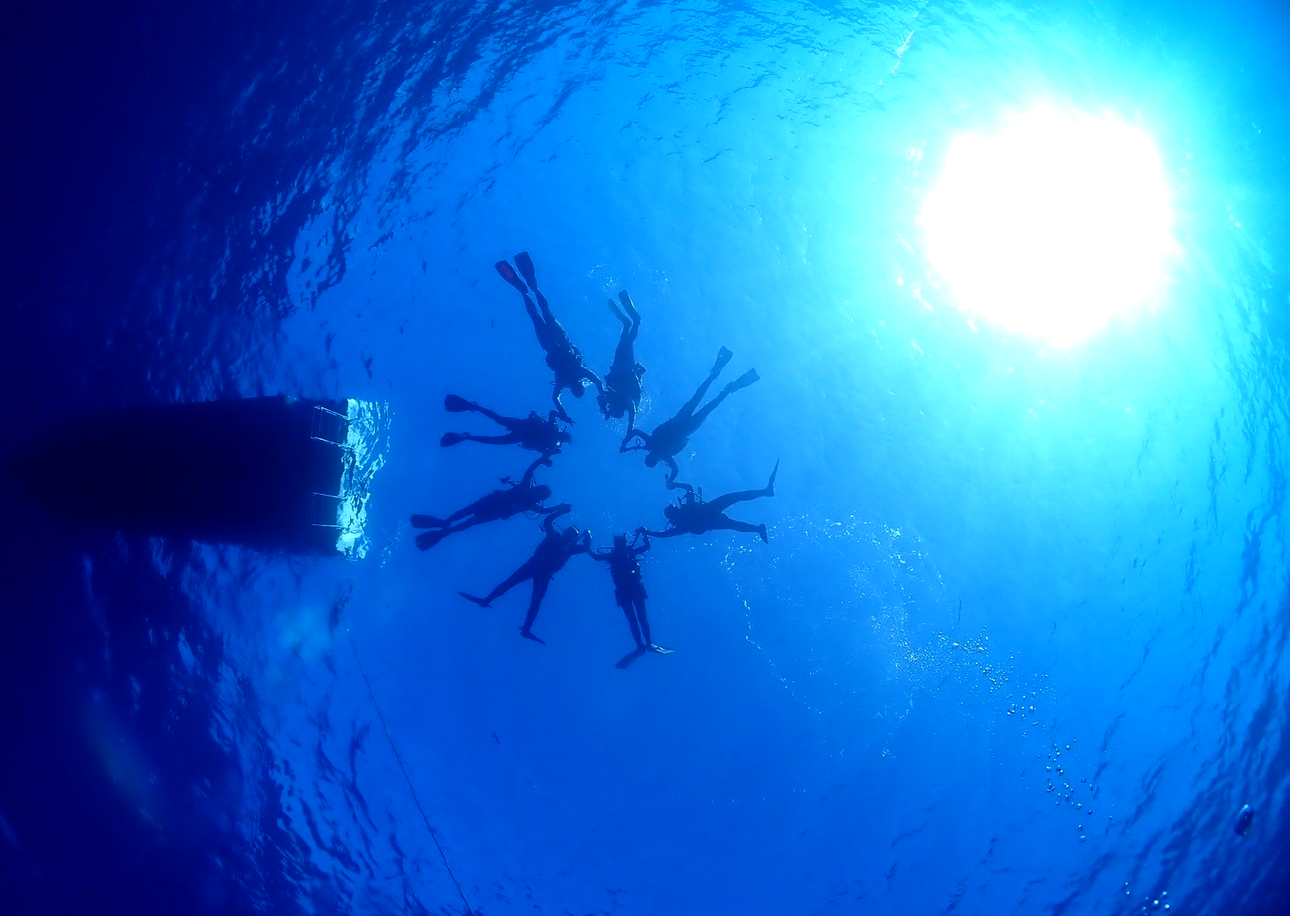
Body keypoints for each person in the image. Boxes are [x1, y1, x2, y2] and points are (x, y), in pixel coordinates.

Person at [621, 346, 758, 484]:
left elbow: (674, 469)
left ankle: (723, 384)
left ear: (650, 457)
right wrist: (625, 442)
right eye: (652, 459)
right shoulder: (658, 450)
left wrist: (625, 442)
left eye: (650, 457)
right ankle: (721, 382)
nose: (652, 456)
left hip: (683, 425)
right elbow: (636, 432)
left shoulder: (657, 449)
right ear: (653, 459)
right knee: (701, 401)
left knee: (705, 404)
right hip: (683, 426)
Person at [495, 251, 604, 423]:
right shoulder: (568, 379)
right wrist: (563, 413)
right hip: (551, 343)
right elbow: (558, 398)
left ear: (578, 386)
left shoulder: (576, 375)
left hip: (557, 340)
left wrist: (601, 395)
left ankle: (531, 289)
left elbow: (597, 382)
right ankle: (524, 291)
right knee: (538, 315)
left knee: (544, 312)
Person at [459, 505, 592, 644]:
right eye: (570, 531)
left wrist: (588, 534)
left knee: (534, 601)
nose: (570, 535)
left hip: (544, 573)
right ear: (565, 532)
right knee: (510, 584)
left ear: (573, 539)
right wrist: (560, 513)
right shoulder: (554, 537)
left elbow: (586, 548)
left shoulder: (570, 548)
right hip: (534, 566)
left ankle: (525, 629)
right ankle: (487, 601)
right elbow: (547, 522)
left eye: (573, 534)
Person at [409, 456, 556, 551]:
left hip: (494, 508)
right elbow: (531, 470)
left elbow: (544, 509)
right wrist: (543, 458)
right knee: (466, 516)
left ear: (538, 494)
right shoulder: (527, 493)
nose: (535, 492)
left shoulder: (529, 498)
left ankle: (444, 529)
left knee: (467, 520)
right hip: (493, 507)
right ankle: (444, 527)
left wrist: (543, 459)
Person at [590, 529, 672, 667]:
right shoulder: (628, 553)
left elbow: (596, 557)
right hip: (632, 589)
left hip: (626, 591)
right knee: (639, 618)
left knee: (635, 619)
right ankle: (647, 643)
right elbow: (647, 546)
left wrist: (587, 544)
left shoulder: (616, 555)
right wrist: (645, 535)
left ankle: (643, 644)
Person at [647, 460, 779, 544]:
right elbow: (689, 487)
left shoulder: (681, 525)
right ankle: (765, 493)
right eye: (673, 507)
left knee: (733, 523)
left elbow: (663, 535)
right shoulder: (684, 517)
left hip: (709, 521)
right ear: (672, 512)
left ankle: (758, 528)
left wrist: (647, 532)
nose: (675, 507)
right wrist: (673, 484)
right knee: (735, 498)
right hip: (709, 511)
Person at [440, 394, 571, 457]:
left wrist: (563, 416)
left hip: (522, 432)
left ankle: (468, 433)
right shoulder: (553, 430)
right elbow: (552, 413)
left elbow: (541, 450)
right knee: (498, 425)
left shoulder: (552, 441)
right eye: (564, 435)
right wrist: (563, 416)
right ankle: (473, 412)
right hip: (523, 428)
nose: (561, 435)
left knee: (497, 432)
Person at [597, 290, 646, 443]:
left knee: (623, 343)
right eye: (613, 409)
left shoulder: (611, 400)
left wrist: (604, 410)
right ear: (619, 410)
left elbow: (600, 397)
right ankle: (636, 321)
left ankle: (626, 325)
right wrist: (628, 435)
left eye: (611, 409)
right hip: (627, 368)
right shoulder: (628, 403)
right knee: (627, 342)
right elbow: (632, 418)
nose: (611, 407)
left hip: (617, 367)